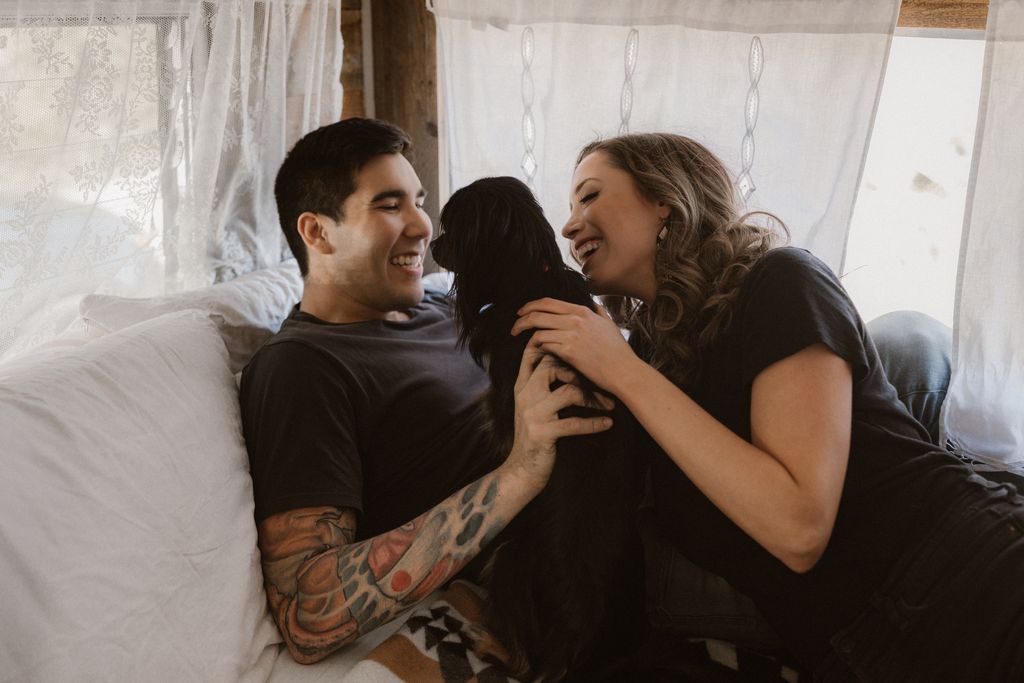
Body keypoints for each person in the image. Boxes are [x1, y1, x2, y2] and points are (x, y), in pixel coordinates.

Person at [512, 132, 1024, 681]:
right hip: (856, 654)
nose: (568, 225)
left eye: (588, 196)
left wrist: (622, 370)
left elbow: (799, 527)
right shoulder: (653, 365)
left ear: (665, 198)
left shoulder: (779, 283)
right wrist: (527, 438)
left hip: (970, 573)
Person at [238, 118, 611, 664]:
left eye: (419, 200)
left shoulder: (446, 307)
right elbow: (306, 610)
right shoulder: (302, 367)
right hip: (578, 569)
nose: (421, 225)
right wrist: (521, 469)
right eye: (389, 205)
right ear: (318, 232)